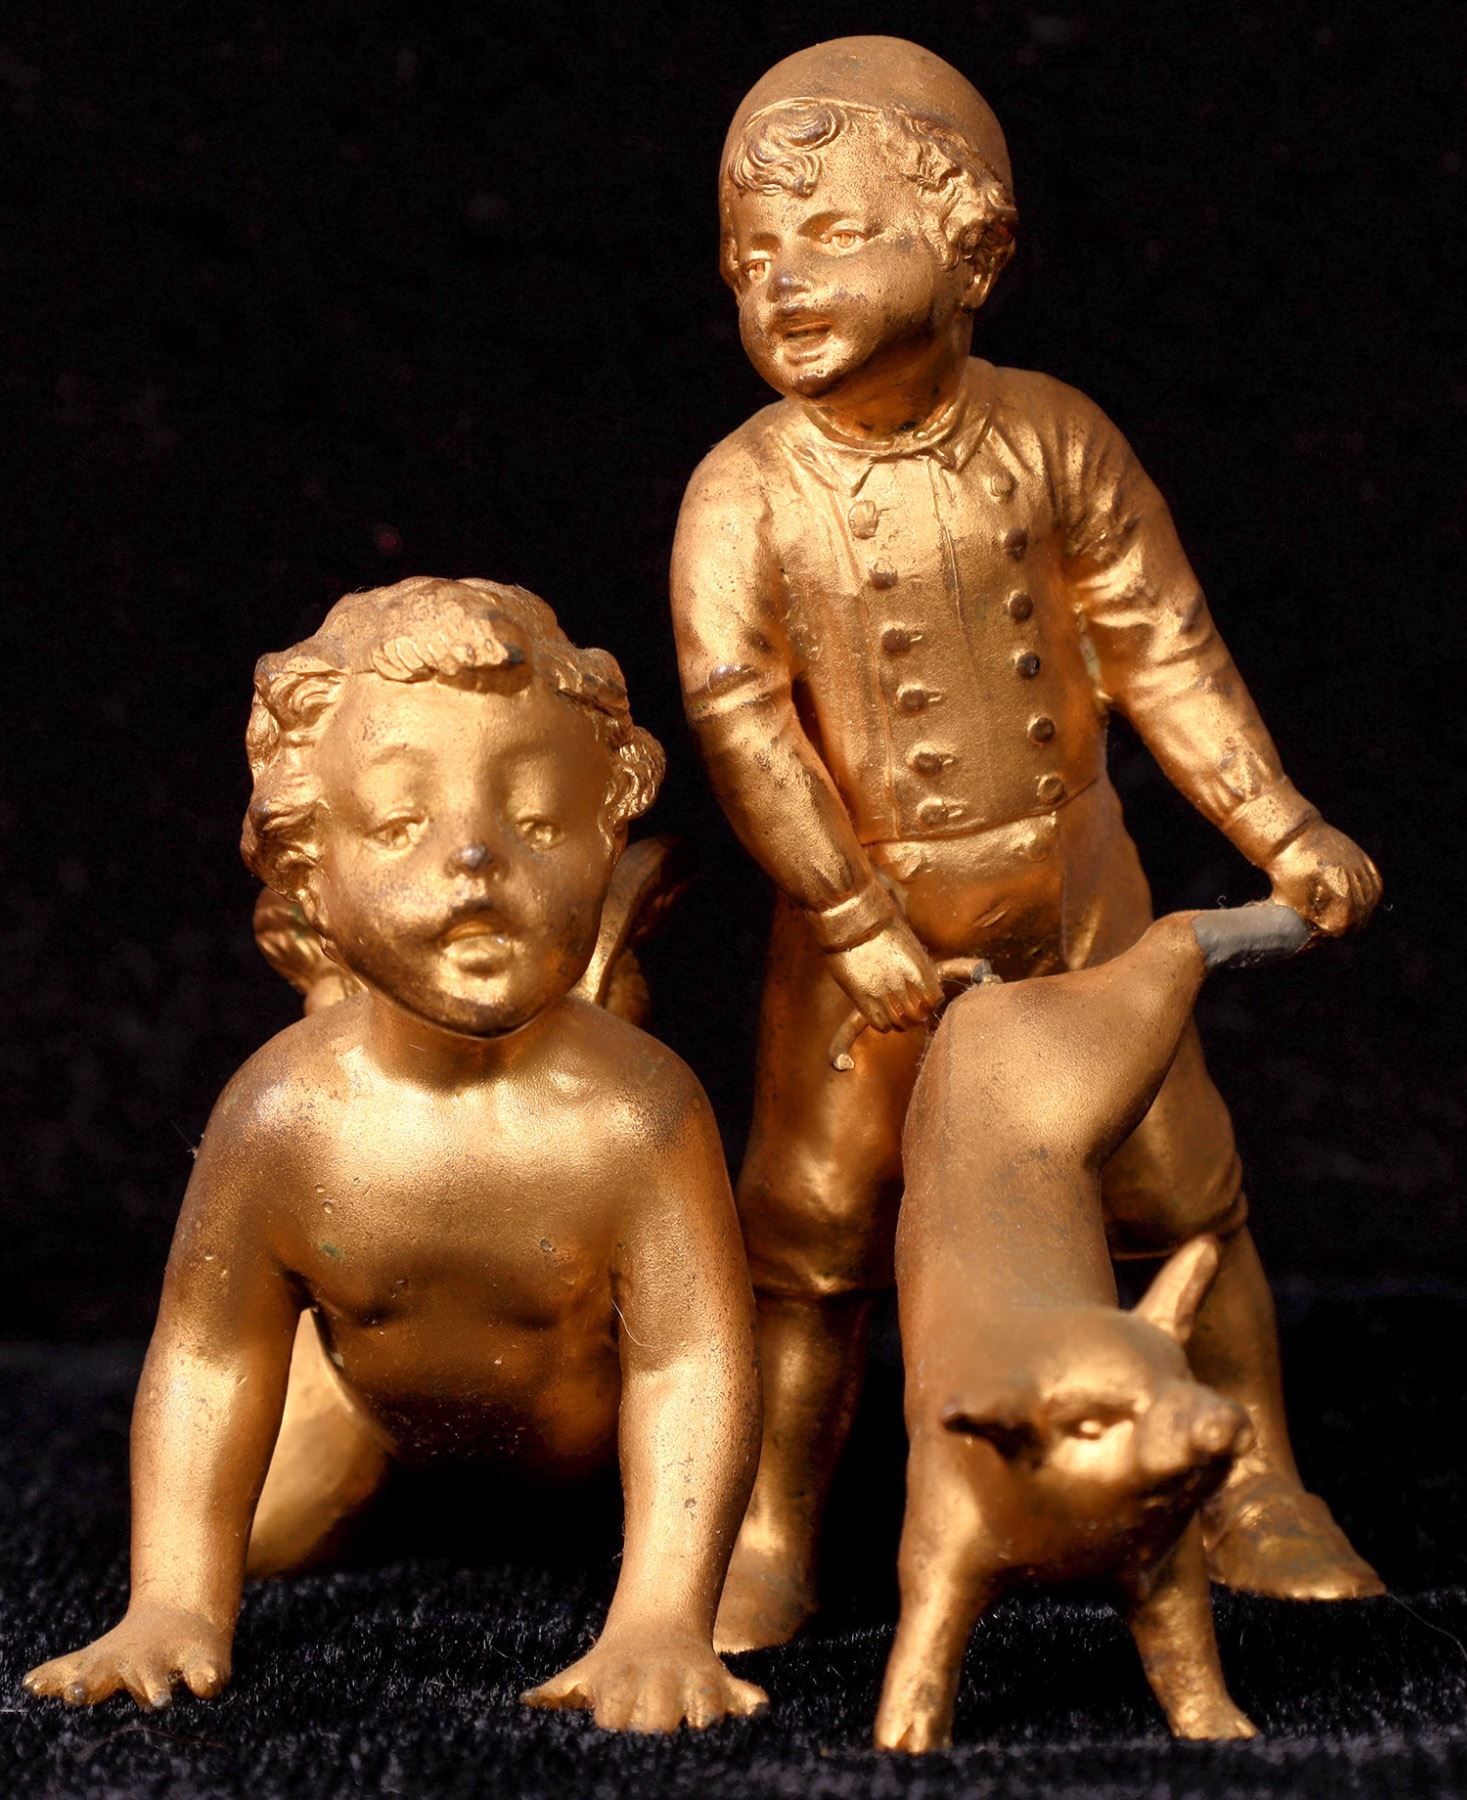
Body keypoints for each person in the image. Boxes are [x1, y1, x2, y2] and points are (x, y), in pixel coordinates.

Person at [671, 36, 1383, 1653]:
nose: (782, 281)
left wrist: (1278, 823)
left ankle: (1251, 1480)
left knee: (1180, 1194)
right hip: (865, 944)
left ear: (972, 252)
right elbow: (739, 720)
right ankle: (770, 1529)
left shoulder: (1055, 439)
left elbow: (1161, 650)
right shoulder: (743, 495)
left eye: (831, 234)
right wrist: (848, 912)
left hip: (1078, 909)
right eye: (750, 255)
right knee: (814, 1243)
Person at [26, 576, 766, 1733]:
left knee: (745, 1544)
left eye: (536, 822)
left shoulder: (642, 1114)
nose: (474, 861)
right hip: (364, 1422)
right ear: (308, 871)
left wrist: (660, 1620)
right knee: (260, 1537)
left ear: (606, 834)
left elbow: (690, 1361)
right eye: (397, 824)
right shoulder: (279, 1113)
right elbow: (212, 1354)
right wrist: (171, 1602)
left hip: (597, 1457)